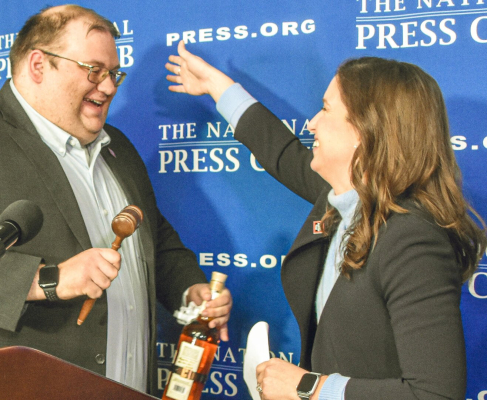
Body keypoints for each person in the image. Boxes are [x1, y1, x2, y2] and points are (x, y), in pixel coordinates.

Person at [0, 7, 232, 395]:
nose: (109, 86)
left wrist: (191, 292)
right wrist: (50, 279)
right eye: (94, 69)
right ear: (38, 64)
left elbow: (158, 244)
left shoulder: (121, 149)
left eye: (114, 73)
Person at [165, 41, 486, 399]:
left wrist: (308, 388)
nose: (312, 122)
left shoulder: (413, 239)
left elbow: (436, 394)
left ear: (364, 131)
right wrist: (216, 86)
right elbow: (282, 153)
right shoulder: (347, 203)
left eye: (325, 109)